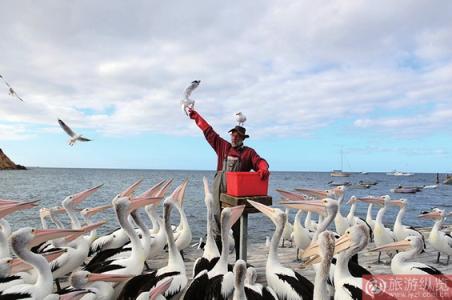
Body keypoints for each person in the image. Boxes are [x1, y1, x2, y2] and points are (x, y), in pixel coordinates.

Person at [188, 108, 269, 259]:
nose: (234, 137)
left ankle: (240, 262)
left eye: (237, 135)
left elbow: (260, 161)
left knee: (238, 229)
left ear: (243, 138)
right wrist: (195, 116)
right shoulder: (222, 146)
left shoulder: (248, 153)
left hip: (236, 196)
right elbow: (208, 131)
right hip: (219, 192)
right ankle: (217, 263)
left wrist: (263, 168)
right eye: (232, 134)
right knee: (217, 226)